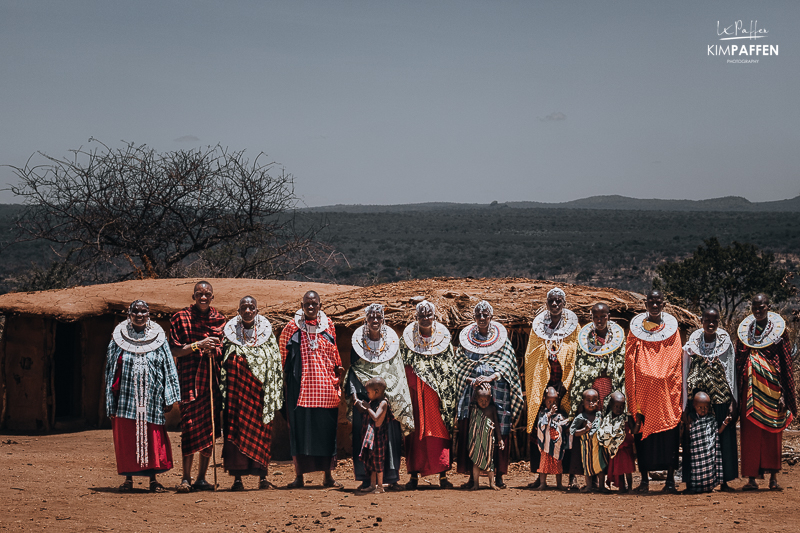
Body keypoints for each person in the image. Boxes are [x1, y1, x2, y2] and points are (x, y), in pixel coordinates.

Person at [105, 300, 181, 493]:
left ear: (149, 315)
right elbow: (110, 369)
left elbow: (168, 367)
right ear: (129, 314)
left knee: (151, 437)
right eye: (135, 311)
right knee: (128, 438)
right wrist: (110, 400)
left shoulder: (159, 338)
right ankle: (128, 480)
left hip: (152, 398)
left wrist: (169, 396)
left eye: (143, 312)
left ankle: (153, 481)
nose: (139, 315)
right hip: (125, 398)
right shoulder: (118, 338)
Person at [454, 300, 524, 490]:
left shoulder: (502, 341)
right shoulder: (466, 342)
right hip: (472, 395)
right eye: (479, 315)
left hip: (498, 393)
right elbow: (459, 367)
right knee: (471, 431)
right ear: (474, 318)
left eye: (486, 315)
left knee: (500, 430)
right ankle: (472, 476)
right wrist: (472, 380)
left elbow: (507, 364)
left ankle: (499, 475)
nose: (482, 318)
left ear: (491, 317)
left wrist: (492, 375)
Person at [279, 290, 345, 489]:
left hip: (324, 389)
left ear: (320, 305)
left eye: (314, 303)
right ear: (301, 305)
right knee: (299, 432)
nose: (310, 307)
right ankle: (300, 477)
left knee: (326, 432)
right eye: (307, 303)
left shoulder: (328, 325)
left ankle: (328, 476)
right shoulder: (292, 327)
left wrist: (337, 373)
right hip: (300, 390)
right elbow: (282, 354)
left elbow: (334, 353)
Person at [346, 304, 414, 491]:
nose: (375, 320)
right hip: (364, 401)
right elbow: (352, 372)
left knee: (389, 440)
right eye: (371, 317)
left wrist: (392, 395)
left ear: (383, 320)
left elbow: (398, 371)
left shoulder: (392, 344)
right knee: (364, 441)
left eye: (378, 317)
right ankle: (367, 479)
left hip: (387, 401)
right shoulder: (357, 345)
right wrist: (355, 399)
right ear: (366, 320)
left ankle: (390, 478)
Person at [219, 296, 283, 491]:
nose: (247, 310)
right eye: (244, 308)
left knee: (262, 436)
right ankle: (237, 479)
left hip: (259, 398)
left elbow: (275, 363)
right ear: (238, 311)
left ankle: (262, 477)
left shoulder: (267, 335)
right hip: (237, 399)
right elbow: (223, 362)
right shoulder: (230, 336)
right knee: (235, 435)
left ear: (257, 311)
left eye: (251, 307)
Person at [735, 294, 797, 491]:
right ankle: (751, 478)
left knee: (772, 432)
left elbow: (786, 363)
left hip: (772, 389)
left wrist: (785, 395)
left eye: (761, 306)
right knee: (750, 434)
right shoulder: (745, 333)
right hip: (749, 389)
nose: (758, 309)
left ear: (768, 306)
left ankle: (773, 478)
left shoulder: (779, 333)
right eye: (754, 306)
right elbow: (738, 360)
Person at [169, 281, 226, 493]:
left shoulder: (219, 320)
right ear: (193, 296)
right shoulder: (180, 318)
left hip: (211, 383)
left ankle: (202, 478)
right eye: (199, 294)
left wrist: (214, 351)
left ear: (212, 297)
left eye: (207, 294)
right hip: (189, 381)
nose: (203, 297)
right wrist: (198, 345)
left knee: (209, 430)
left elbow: (223, 349)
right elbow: (175, 350)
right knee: (190, 428)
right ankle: (185, 478)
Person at [625, 289, 683, 493]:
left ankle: (669, 481)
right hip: (643, 397)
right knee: (644, 440)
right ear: (646, 304)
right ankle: (644, 481)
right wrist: (645, 373)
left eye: (658, 302)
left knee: (669, 438)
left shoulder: (672, 330)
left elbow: (675, 357)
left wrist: (661, 375)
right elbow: (631, 359)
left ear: (664, 304)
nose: (655, 305)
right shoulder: (636, 330)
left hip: (667, 394)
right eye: (651, 301)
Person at [524, 287, 580, 489]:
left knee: (567, 430)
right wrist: (545, 384)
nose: (555, 305)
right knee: (540, 428)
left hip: (565, 386)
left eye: (558, 301)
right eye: (551, 301)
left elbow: (575, 354)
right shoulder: (538, 326)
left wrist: (563, 386)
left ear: (564, 304)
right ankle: (541, 475)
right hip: (543, 387)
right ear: (546, 304)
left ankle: (571, 476)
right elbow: (531, 355)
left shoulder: (574, 327)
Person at [400, 300, 458, 490]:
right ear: (416, 318)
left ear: (434, 317)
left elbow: (450, 368)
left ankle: (442, 476)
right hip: (415, 395)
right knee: (414, 434)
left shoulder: (444, 341)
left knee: (440, 433)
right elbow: (401, 366)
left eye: (429, 315)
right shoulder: (407, 341)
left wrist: (437, 385)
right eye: (422, 316)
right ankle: (414, 476)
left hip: (437, 397)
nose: (425, 319)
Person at [682, 307, 738, 491]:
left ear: (719, 322)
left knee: (724, 440)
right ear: (702, 321)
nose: (711, 324)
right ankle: (693, 480)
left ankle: (724, 481)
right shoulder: (693, 345)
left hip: (721, 397)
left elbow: (731, 373)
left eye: (714, 320)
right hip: (699, 400)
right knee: (695, 440)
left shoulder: (725, 344)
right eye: (707, 320)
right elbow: (687, 372)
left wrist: (732, 402)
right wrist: (688, 406)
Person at [570, 302, 626, 414]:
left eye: (602, 317)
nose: (599, 320)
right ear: (591, 318)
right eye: (595, 317)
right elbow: (581, 366)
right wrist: (597, 372)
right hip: (591, 386)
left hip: (611, 385)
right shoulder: (585, 340)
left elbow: (621, 362)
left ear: (608, 317)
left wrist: (609, 371)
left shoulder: (618, 339)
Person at [683, 392, 727, 494]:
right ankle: (696, 487)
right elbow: (687, 434)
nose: (703, 410)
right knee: (697, 470)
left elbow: (716, 433)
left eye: (706, 407)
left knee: (710, 469)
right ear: (694, 406)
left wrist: (724, 424)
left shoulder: (711, 419)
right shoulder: (692, 420)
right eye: (700, 407)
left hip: (709, 453)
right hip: (696, 453)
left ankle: (709, 486)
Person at [353, 377, 391, 494]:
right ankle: (372, 485)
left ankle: (380, 486)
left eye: (368, 392)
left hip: (379, 436)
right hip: (371, 437)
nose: (367, 395)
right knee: (371, 462)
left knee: (378, 461)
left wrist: (368, 408)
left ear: (377, 392)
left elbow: (375, 417)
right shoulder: (373, 402)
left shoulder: (383, 403)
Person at [570, 389, 608, 493]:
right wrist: (584, 430)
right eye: (588, 400)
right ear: (583, 402)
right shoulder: (581, 417)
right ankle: (589, 486)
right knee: (587, 467)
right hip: (586, 447)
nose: (591, 403)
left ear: (598, 402)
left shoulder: (600, 415)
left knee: (600, 466)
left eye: (594, 400)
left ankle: (601, 486)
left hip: (599, 447)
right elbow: (573, 431)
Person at [598, 391, 637, 492]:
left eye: (621, 407)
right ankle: (622, 487)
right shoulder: (607, 419)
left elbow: (634, 431)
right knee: (618, 469)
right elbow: (604, 432)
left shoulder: (627, 417)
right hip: (614, 448)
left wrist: (638, 421)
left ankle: (630, 487)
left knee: (628, 470)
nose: (619, 409)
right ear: (611, 405)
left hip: (626, 448)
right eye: (616, 406)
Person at [468, 386, 504, 491]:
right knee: (476, 462)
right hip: (476, 441)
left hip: (488, 440)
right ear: (476, 398)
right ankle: (476, 483)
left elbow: (496, 424)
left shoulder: (492, 409)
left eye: (486, 400)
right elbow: (472, 426)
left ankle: (492, 483)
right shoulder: (474, 409)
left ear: (491, 398)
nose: (484, 403)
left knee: (490, 461)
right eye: (481, 400)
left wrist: (499, 438)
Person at [534, 387, 570, 490]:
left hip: (556, 445)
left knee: (558, 464)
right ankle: (542, 483)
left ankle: (559, 483)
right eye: (549, 401)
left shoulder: (560, 415)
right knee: (543, 465)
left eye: (554, 401)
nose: (552, 404)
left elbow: (564, 425)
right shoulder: (543, 413)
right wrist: (549, 414)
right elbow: (541, 424)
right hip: (546, 444)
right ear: (544, 400)